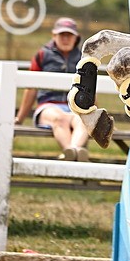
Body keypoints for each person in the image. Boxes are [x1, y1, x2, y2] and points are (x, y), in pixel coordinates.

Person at [15, 17, 91, 160]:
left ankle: (71, 153)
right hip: (48, 106)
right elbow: (31, 88)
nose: (65, 39)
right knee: (59, 118)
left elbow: (90, 90)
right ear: (54, 35)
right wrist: (20, 119)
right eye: (62, 35)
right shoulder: (42, 55)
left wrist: (97, 116)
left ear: (76, 38)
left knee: (84, 121)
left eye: (69, 35)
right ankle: (73, 153)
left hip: (75, 107)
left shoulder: (83, 58)